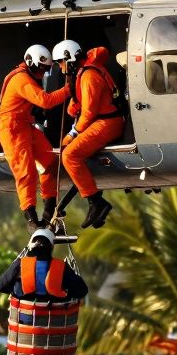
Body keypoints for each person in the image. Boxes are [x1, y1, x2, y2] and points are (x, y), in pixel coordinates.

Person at [0, 44, 70, 232]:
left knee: (50, 162)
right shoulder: (21, 79)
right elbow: (45, 101)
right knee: (26, 171)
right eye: (40, 68)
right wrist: (69, 90)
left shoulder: (27, 76)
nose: (42, 73)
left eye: (46, 69)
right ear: (30, 63)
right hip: (12, 128)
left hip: (25, 125)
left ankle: (49, 206)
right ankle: (30, 216)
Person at [53, 39, 125, 229]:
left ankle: (96, 203)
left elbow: (89, 113)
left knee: (69, 155)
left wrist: (73, 133)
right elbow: (81, 105)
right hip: (103, 121)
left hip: (108, 123)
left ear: (69, 59)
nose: (60, 68)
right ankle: (95, 203)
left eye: (60, 62)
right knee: (70, 152)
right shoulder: (85, 72)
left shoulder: (89, 76)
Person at [0, 229, 88, 302]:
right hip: (55, 321)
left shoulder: (20, 264)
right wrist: (66, 293)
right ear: (51, 247)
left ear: (31, 246)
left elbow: (0, 286)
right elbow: (82, 291)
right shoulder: (61, 266)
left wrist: (16, 291)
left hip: (25, 321)